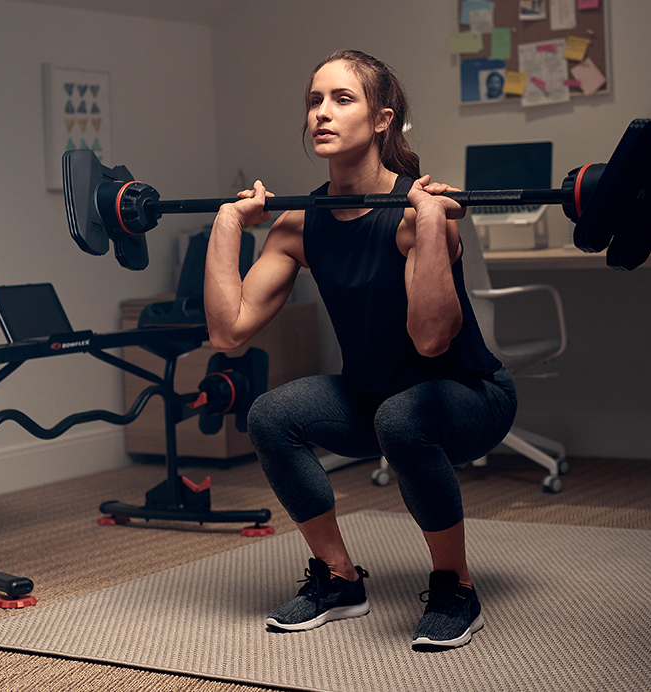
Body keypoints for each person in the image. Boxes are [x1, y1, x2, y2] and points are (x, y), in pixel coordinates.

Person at [204, 49, 517, 652]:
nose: (322, 113)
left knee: (402, 418)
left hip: (469, 398)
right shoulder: (297, 223)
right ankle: (339, 579)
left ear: (382, 120)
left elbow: (432, 338)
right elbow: (229, 331)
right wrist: (227, 227)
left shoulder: (415, 216)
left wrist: (429, 224)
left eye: (341, 99)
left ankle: (456, 585)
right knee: (271, 415)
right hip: (374, 398)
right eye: (314, 100)